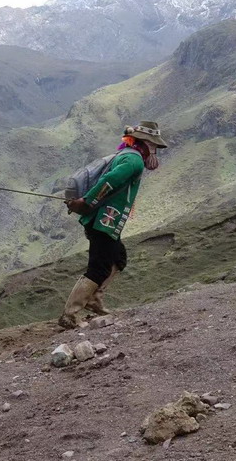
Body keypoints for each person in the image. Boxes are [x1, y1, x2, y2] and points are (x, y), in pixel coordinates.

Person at [59, 121, 168, 328]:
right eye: (154, 146)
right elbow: (109, 181)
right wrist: (87, 201)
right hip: (103, 221)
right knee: (98, 268)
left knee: (118, 257)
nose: (155, 151)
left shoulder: (128, 155)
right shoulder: (134, 161)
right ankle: (70, 315)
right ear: (146, 143)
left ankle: (94, 299)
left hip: (106, 220)